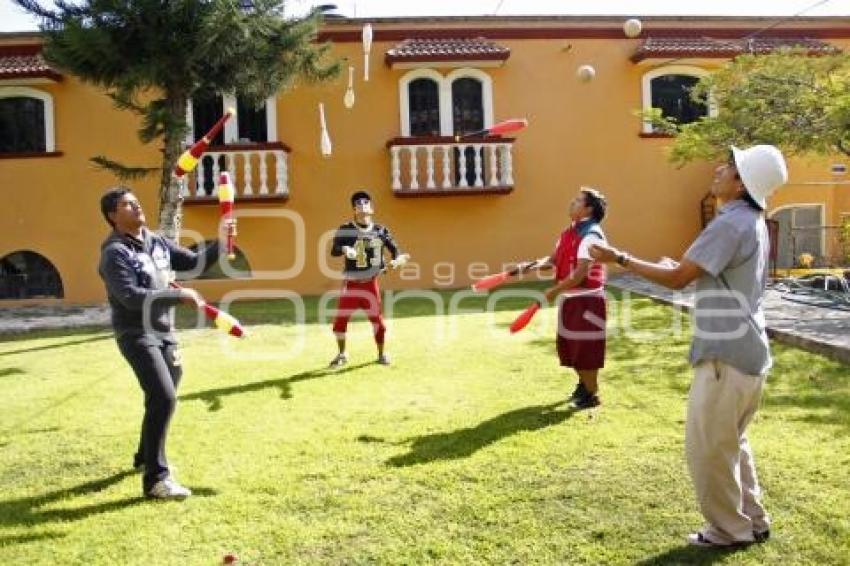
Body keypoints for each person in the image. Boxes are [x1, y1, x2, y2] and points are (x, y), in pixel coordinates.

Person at [590, 144, 787, 547]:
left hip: (724, 356)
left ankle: (728, 531)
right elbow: (688, 272)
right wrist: (665, 267)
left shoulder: (729, 224)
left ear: (741, 183)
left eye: (729, 166)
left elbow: (679, 278)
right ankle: (753, 519)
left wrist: (619, 257)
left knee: (709, 451)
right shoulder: (752, 222)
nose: (719, 169)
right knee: (732, 442)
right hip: (748, 353)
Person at [98, 187, 218, 500]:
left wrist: (223, 242)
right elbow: (130, 297)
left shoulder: (155, 241)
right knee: (164, 397)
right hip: (136, 334)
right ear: (113, 216)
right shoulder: (115, 253)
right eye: (127, 204)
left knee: (163, 394)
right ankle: (156, 479)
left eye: (137, 200)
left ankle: (143, 455)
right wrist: (177, 296)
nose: (137, 205)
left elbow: (193, 263)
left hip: (164, 332)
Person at [535, 187, 609, 409]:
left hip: (588, 300)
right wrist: (529, 266)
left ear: (588, 209)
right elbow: (555, 259)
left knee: (585, 349)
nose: (571, 203)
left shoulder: (591, 235)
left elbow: (579, 275)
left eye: (577, 200)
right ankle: (584, 385)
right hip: (571, 299)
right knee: (571, 347)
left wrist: (554, 290)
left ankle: (591, 394)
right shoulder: (569, 232)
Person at [329, 190, 407, 368]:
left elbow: (395, 250)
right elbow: (334, 249)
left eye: (365, 203)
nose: (362, 206)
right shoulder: (346, 229)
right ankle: (342, 354)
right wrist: (344, 249)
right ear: (354, 210)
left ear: (371, 208)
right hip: (351, 284)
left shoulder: (380, 230)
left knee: (378, 322)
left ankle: (381, 354)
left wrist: (397, 259)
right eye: (358, 204)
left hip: (371, 284)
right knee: (340, 322)